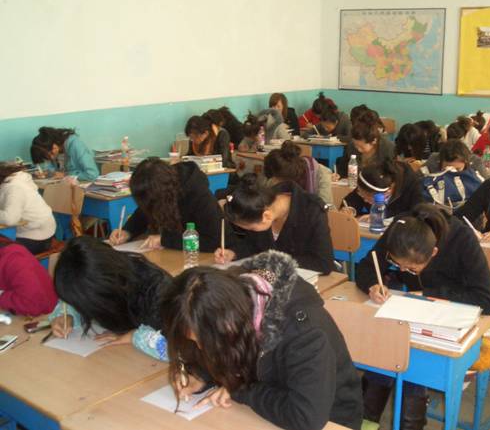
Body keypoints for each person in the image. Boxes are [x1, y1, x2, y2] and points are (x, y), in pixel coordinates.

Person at [161, 251, 363, 430]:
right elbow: (231, 353)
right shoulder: (233, 300)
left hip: (331, 419)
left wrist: (239, 389)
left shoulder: (302, 333)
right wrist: (201, 374)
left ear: (228, 322)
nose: (201, 347)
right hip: (267, 408)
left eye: (204, 340)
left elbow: (306, 418)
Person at [355, 203, 490, 427]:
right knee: (383, 354)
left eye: (412, 268)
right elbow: (365, 267)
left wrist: (429, 294)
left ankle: (408, 422)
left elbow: (486, 300)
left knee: (411, 366)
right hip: (409, 314)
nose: (403, 271)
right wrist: (372, 284)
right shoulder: (400, 231)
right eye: (397, 264)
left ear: (434, 253)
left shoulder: (462, 239)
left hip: (450, 317)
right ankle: (365, 419)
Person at [48, 236, 172, 360]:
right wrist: (67, 314)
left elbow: (178, 349)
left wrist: (135, 336)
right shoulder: (98, 275)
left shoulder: (159, 291)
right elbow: (75, 296)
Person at [216, 174, 334, 274]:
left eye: (251, 228)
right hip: (271, 280)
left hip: (310, 282)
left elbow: (323, 263)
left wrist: (276, 262)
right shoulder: (258, 204)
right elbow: (252, 245)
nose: (250, 231)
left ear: (266, 216)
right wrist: (234, 253)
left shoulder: (311, 211)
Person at [109, 158, 226, 252]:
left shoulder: (199, 196)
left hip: (200, 257)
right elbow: (142, 213)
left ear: (162, 195)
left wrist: (165, 240)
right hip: (171, 253)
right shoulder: (159, 189)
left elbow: (213, 241)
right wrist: (127, 231)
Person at [0, 164, 56, 254]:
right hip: (35, 230)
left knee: (4, 251)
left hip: (38, 237)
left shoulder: (14, 188)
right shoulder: (11, 183)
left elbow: (10, 219)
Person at [341, 160, 422, 219]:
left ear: (388, 191)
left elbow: (418, 213)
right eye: (361, 193)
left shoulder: (413, 187)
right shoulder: (371, 180)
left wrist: (383, 215)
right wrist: (350, 210)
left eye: (368, 197)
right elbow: (351, 200)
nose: (364, 199)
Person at [264, 141, 334, 205]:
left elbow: (325, 208)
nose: (275, 183)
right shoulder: (274, 176)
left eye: (280, 181)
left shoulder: (322, 173)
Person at [0, 241, 57, 316]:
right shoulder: (10, 253)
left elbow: (33, 304)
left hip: (44, 314)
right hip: (31, 307)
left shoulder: (15, 260)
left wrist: (1, 296)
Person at [336, 110, 395, 177]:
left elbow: (392, 175)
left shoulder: (388, 149)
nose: (358, 149)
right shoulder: (351, 146)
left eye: (361, 147)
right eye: (356, 145)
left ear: (374, 141)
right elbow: (343, 169)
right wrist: (338, 175)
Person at [30, 127, 99, 181]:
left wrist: (65, 175)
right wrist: (47, 173)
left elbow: (92, 174)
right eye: (48, 156)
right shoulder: (53, 148)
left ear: (54, 144)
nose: (52, 158)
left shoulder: (75, 145)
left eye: (51, 153)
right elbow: (53, 170)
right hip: (63, 185)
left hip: (82, 186)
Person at [423, 139, 490, 179]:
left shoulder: (475, 162)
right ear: (440, 161)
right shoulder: (433, 159)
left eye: (457, 169)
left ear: (466, 162)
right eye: (446, 168)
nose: (452, 173)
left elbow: (486, 186)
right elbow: (419, 180)